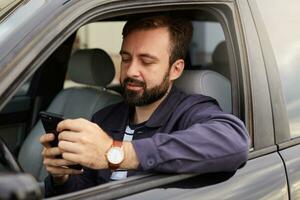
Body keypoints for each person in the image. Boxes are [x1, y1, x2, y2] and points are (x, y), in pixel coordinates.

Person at [40, 15, 249, 197]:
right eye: (126, 59)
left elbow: (234, 140)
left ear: (175, 69)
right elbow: (84, 191)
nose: (131, 71)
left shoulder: (190, 111)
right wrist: (63, 178)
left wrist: (116, 153)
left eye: (146, 62)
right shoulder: (104, 118)